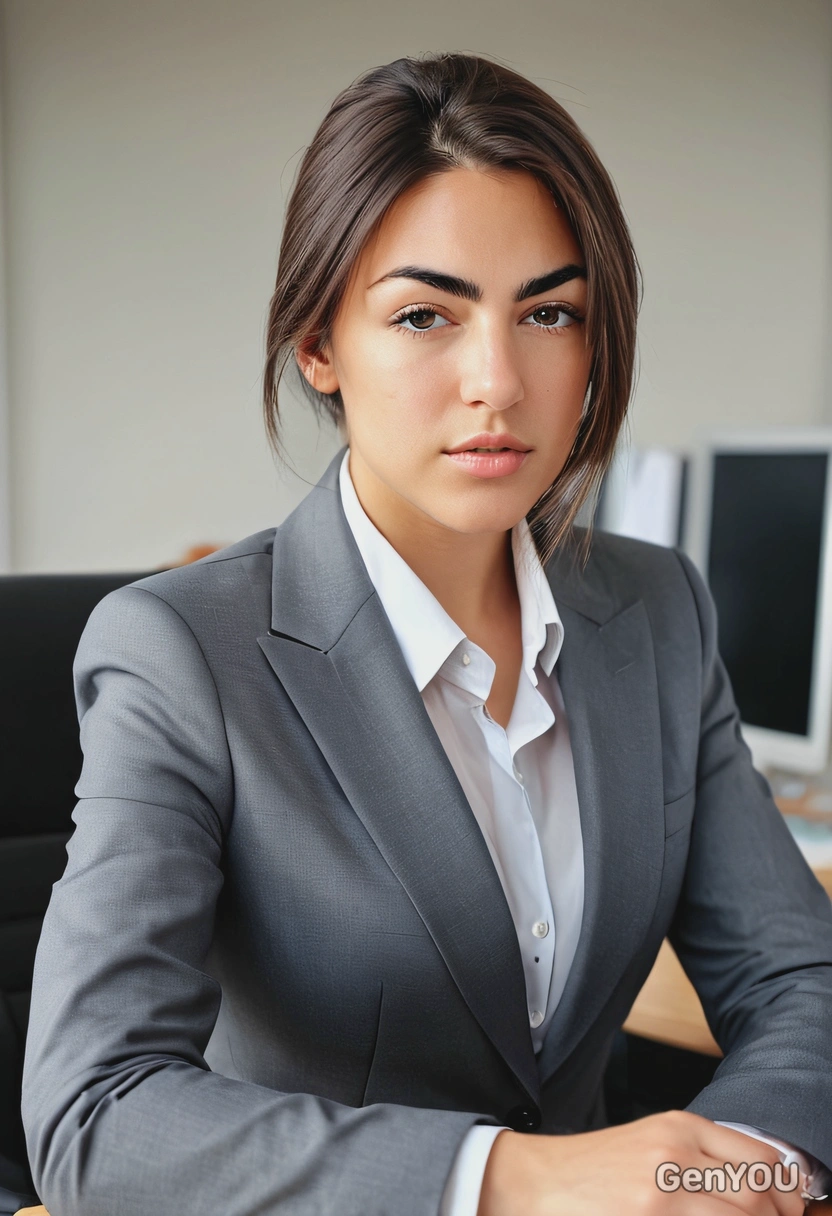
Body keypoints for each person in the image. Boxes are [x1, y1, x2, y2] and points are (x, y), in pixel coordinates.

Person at [19, 51, 832, 1216]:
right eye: (423, 316)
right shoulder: (180, 653)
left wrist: (729, 1175)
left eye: (547, 312)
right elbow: (96, 1113)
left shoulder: (655, 612)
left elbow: (799, 976)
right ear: (317, 347)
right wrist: (519, 1178)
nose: (497, 382)